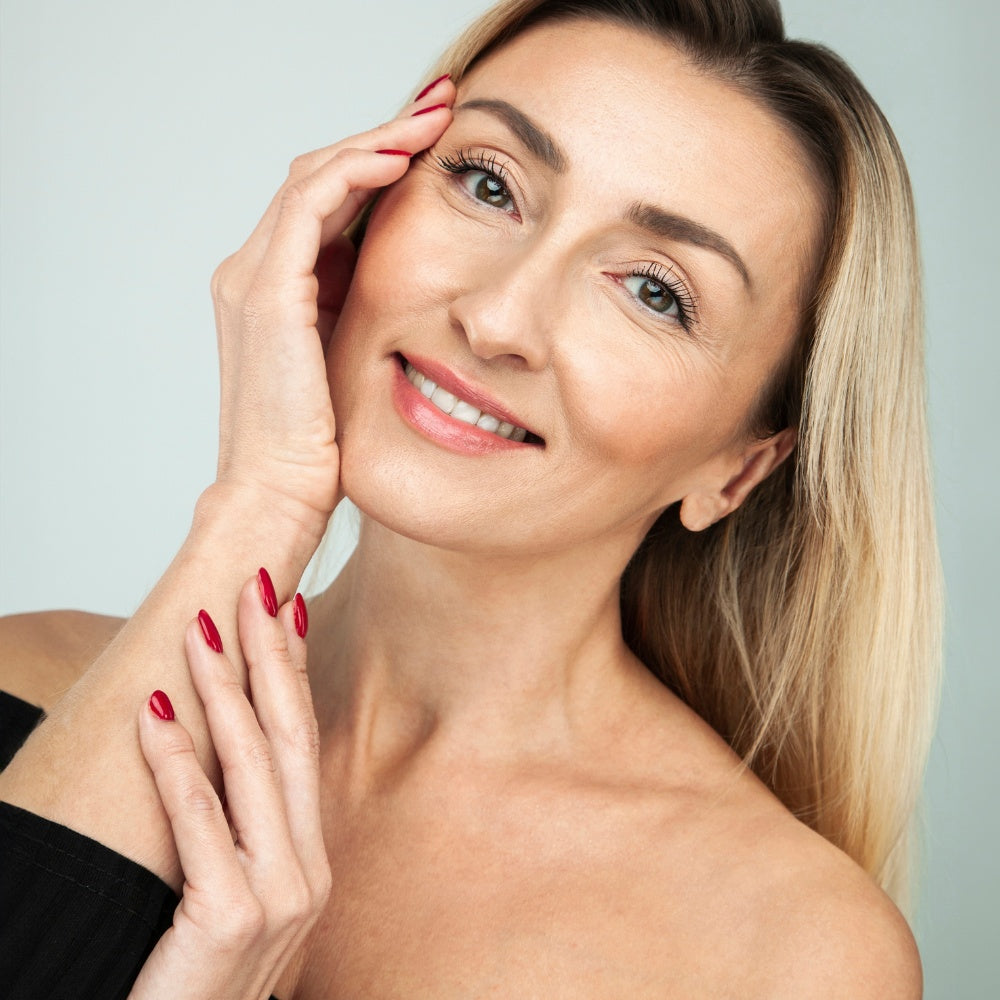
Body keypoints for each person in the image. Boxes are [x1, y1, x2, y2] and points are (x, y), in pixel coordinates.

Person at [0, 0, 942, 996]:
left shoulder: (786, 951)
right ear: (362, 203)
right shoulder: (24, 680)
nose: (497, 318)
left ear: (739, 468)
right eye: (488, 182)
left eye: (654, 290)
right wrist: (258, 501)